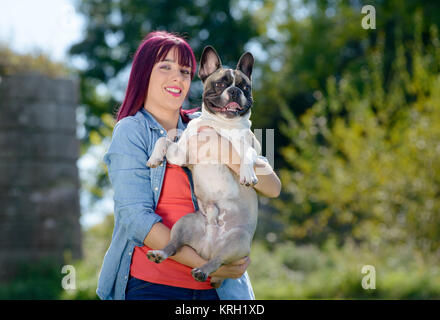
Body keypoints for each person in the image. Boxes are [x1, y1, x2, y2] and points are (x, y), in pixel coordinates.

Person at [96, 31, 281, 300]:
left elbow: (273, 187)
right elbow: (136, 220)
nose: (177, 77)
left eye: (185, 71)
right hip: (155, 288)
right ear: (144, 73)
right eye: (165, 67)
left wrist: (223, 148)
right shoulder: (131, 131)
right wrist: (210, 267)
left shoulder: (212, 122)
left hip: (221, 293)